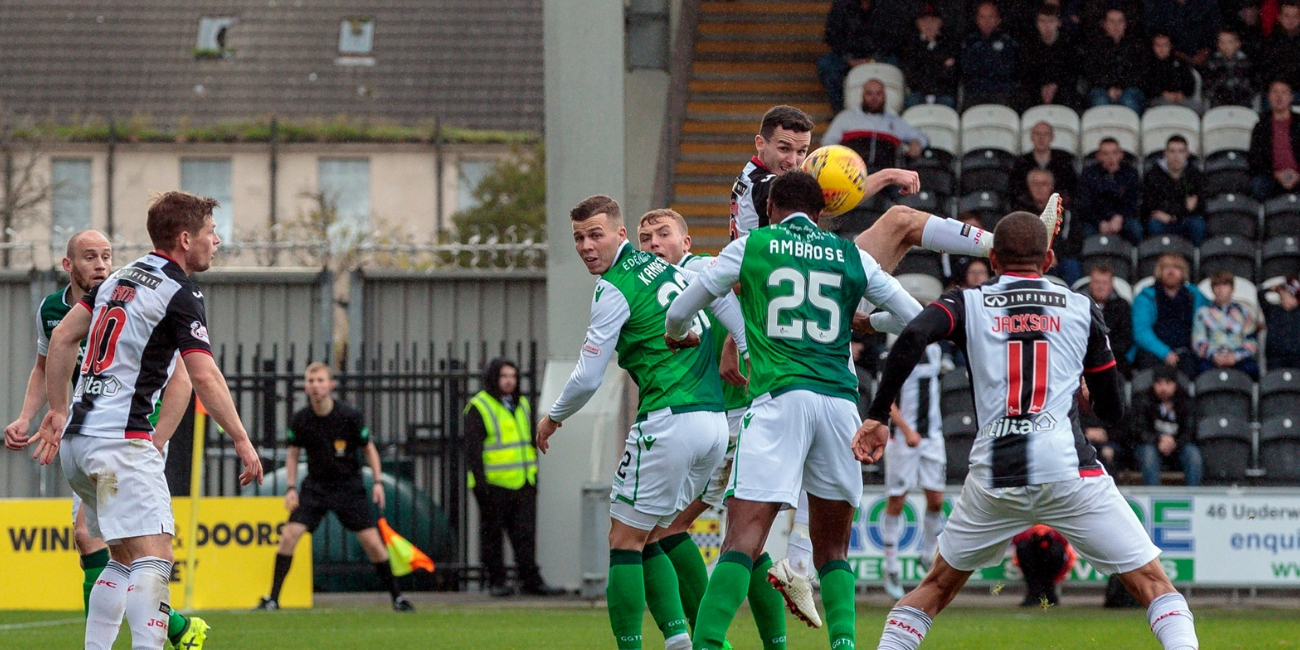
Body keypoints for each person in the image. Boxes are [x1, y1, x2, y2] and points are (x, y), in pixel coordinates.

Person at [853, 211, 1199, 650]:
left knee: (935, 588)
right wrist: (1086, 393)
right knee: (1153, 584)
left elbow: (913, 335)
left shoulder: (967, 301)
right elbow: (1112, 412)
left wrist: (879, 413)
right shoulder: (1081, 307)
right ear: (1050, 258)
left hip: (996, 475)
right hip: (1069, 471)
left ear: (992, 258)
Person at [665, 171, 926, 650]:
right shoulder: (852, 255)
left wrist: (677, 330)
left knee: (742, 539)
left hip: (778, 400)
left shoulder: (753, 246)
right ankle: (845, 644)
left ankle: (705, 645)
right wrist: (867, 321)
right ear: (822, 212)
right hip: (838, 406)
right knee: (833, 550)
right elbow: (916, 319)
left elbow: (685, 306)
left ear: (769, 210)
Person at [33, 191, 264, 650]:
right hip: (121, 443)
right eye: (209, 233)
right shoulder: (179, 291)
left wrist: (57, 409)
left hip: (79, 443)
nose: (216, 241)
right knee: (155, 558)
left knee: (119, 560)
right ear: (184, 239)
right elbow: (204, 374)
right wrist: (241, 438)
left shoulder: (121, 276)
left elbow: (61, 337)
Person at [536, 195, 750, 650]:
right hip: (713, 423)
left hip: (668, 422)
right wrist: (745, 345)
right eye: (578, 237)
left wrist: (553, 417)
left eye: (596, 234)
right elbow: (719, 300)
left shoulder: (614, 286)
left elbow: (589, 374)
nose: (586, 246)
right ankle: (681, 641)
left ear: (620, 235)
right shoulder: (673, 270)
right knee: (656, 532)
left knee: (622, 539)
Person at [3, 231, 207, 650]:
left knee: (127, 551)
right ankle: (175, 628)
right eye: (90, 256)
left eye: (106, 256)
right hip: (91, 434)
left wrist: (157, 440)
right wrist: (33, 415)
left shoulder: (126, 295)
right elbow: (49, 358)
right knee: (127, 553)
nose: (100, 264)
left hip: (127, 435)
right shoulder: (56, 309)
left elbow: (183, 378)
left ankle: (171, 629)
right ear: (68, 265)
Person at [637, 208, 791, 643]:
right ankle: (745, 641)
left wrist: (739, 342)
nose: (653, 243)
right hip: (714, 421)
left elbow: (748, 293)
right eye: (645, 237)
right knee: (748, 542)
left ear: (685, 242)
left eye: (663, 234)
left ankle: (705, 638)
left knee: (665, 530)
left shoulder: (702, 269)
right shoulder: (656, 287)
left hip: (733, 419)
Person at [257, 363, 413, 612]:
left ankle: (398, 597)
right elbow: (293, 455)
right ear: (306, 386)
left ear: (331, 385)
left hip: (348, 487)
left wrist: (379, 482)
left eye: (320, 380)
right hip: (315, 487)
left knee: (372, 543)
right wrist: (290, 488)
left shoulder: (349, 416)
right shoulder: (301, 419)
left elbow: (368, 448)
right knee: (289, 536)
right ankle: (273, 599)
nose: (315, 385)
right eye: (311, 381)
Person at [464, 358, 562, 597]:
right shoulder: (479, 406)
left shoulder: (522, 405)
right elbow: (473, 451)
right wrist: (480, 483)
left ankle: (530, 580)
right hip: (493, 484)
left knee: (525, 535)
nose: (509, 381)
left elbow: (529, 441)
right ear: (494, 378)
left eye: (513, 376)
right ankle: (496, 581)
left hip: (522, 482)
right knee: (492, 536)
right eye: (504, 376)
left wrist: (533, 477)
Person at [880, 342, 946, 601]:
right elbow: (886, 401)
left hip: (932, 437)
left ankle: (927, 554)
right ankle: (892, 566)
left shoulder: (935, 349)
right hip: (902, 440)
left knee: (937, 501)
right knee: (897, 500)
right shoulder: (893, 355)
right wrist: (907, 430)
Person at [822, 79, 930, 173]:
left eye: (878, 94)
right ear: (863, 95)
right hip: (852, 173)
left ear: (885, 96)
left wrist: (917, 143)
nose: (874, 98)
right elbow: (828, 142)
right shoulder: (846, 117)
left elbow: (922, 137)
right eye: (869, 94)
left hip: (887, 177)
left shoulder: (895, 121)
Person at [1132, 253, 1208, 379]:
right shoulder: (1146, 297)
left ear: (1183, 272)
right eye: (1166, 267)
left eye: (1176, 268)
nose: (1171, 271)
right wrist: (1165, 353)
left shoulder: (1195, 295)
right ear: (1159, 271)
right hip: (1153, 352)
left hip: (1186, 352)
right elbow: (1141, 332)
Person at [818, 0, 898, 112]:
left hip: (878, 57)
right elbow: (832, 36)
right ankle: (840, 111)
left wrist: (873, 59)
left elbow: (893, 38)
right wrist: (849, 59)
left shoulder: (886, 7)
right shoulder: (841, 5)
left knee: (895, 64)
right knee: (826, 65)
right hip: (847, 57)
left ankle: (890, 111)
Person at [1132, 365, 1203, 486]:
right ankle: (1152, 497)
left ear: (1175, 384)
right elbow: (1137, 430)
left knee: (1193, 454)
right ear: (1153, 384)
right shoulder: (1143, 400)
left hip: (1179, 448)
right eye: (1159, 383)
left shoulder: (1186, 402)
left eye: (1168, 383)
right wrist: (1158, 440)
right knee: (1149, 454)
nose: (1163, 388)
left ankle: (1194, 496)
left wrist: (1175, 442)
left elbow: (1191, 431)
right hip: (1151, 447)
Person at [1015, 168, 1082, 284]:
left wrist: (1053, 254)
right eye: (1035, 184)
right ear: (1029, 187)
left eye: (1044, 184)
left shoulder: (1065, 212)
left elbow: (1072, 241)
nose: (1039, 188)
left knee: (1072, 266)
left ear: (1051, 187)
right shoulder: (1019, 211)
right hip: (1030, 258)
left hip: (1058, 259)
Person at [1193, 271, 1260, 378]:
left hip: (1238, 357)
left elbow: (1251, 341)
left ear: (1232, 289)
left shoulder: (1244, 312)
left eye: (1224, 285)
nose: (1220, 289)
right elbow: (1198, 341)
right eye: (1216, 285)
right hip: (1212, 358)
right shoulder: (1203, 313)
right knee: (1200, 369)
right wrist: (1214, 356)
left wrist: (1235, 356)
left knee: (1251, 368)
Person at [1076, 138, 1143, 244]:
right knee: (1083, 233)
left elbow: (1133, 201)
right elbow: (1084, 204)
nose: (1110, 158)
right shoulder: (1089, 174)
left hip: (1122, 218)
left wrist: (1120, 217)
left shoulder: (1130, 173)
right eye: (1105, 153)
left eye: (1114, 153)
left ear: (1121, 155)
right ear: (1098, 156)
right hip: (1095, 220)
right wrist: (1100, 222)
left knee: (1136, 230)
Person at [1017, 4, 1083, 111]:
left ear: (1059, 23)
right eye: (1042, 21)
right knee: (1023, 97)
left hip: (1061, 88)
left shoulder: (1068, 44)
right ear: (1037, 23)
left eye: (1051, 21)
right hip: (1036, 88)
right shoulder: (1029, 45)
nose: (1046, 26)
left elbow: (1072, 72)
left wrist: (1055, 85)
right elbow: (1026, 73)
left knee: (1070, 97)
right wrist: (1042, 87)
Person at [1143, 135, 1206, 245]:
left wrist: (1172, 216)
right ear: (1165, 153)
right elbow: (1150, 204)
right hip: (1163, 221)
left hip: (1182, 220)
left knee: (1197, 224)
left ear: (1187, 154)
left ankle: (1193, 259)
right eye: (1172, 151)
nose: (1176, 156)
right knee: (1154, 224)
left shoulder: (1194, 175)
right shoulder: (1153, 174)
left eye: (1180, 151)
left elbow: (1198, 206)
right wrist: (1182, 209)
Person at [1084, 9, 1146, 113]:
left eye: (1120, 21)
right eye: (1112, 21)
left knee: (1129, 100)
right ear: (1104, 24)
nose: (1116, 25)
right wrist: (1108, 88)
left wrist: (1121, 89)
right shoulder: (1094, 47)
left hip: (1130, 90)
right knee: (1100, 100)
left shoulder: (1136, 47)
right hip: (1102, 89)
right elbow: (1091, 73)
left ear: (1125, 24)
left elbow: (1140, 73)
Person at [900, 4, 960, 109]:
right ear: (918, 24)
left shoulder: (949, 45)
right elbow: (911, 76)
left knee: (948, 101)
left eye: (933, 21)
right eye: (924, 21)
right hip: (919, 92)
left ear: (939, 23)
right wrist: (940, 66)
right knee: (911, 101)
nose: (928, 25)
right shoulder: (911, 46)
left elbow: (951, 76)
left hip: (942, 93)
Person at [961, 2, 1019, 108]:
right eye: (983, 17)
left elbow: (1008, 69)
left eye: (990, 17)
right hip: (975, 92)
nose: (986, 21)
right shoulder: (970, 42)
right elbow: (967, 69)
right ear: (977, 20)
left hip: (1000, 92)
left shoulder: (1007, 42)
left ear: (998, 20)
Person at [1249, 80, 1300, 200]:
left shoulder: (1298, 123)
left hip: (1298, 176)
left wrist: (1297, 175)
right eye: (1275, 92)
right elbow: (1255, 159)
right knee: (1258, 185)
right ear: (1269, 97)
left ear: (1291, 97)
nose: (1279, 96)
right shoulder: (1261, 126)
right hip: (1272, 177)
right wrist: (1277, 175)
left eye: (1284, 92)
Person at [1010, 121, 1079, 203]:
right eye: (1037, 134)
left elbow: (1071, 188)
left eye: (1046, 134)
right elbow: (1016, 190)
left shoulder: (1063, 160)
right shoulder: (1021, 162)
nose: (1041, 138)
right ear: (1031, 137)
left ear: (1052, 137)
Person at [1012, 525, 1076, 607]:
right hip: (1031, 552)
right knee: (1023, 548)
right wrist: (1032, 536)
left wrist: (1051, 536)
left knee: (1056, 550)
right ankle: (1034, 592)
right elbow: (1016, 538)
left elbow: (1065, 539)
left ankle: (1048, 590)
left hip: (1051, 554)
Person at [1143, 0, 1221, 67]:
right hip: (1171, 59)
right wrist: (1176, 53)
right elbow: (1155, 34)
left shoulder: (1207, 4)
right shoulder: (1160, 5)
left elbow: (1214, 30)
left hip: (1205, 59)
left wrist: (1205, 51)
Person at [1088, 263, 1133, 377]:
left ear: (1111, 285)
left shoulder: (1122, 306)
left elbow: (1125, 339)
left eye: (1104, 283)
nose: (1100, 287)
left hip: (1113, 359)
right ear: (1090, 284)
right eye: (1097, 282)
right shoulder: (1080, 304)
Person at [1142, 33, 1200, 113]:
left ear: (1170, 46)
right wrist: (1163, 94)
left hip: (1181, 99)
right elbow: (1147, 86)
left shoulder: (1180, 62)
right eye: (1158, 45)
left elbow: (1190, 82)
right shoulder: (1148, 64)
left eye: (1165, 45)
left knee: (1197, 108)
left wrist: (1181, 94)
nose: (1161, 49)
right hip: (1158, 99)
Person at [1203, 29, 1255, 108]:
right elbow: (1208, 89)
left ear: (1238, 44)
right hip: (1218, 105)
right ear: (1218, 45)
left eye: (1230, 42)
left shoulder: (1247, 63)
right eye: (1222, 42)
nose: (1226, 46)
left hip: (1242, 105)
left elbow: (1252, 88)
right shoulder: (1212, 63)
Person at [1260, 0, 1300, 96]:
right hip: (1276, 92)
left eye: (1295, 16)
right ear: (1279, 17)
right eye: (1287, 16)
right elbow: (1266, 71)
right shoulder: (1270, 42)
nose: (1291, 20)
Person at [1261, 276, 1300, 369]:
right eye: (1290, 295)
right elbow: (1260, 294)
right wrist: (1274, 288)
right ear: (1282, 293)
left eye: (1296, 297)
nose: (1293, 300)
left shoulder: (1298, 312)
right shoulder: (1272, 310)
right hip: (1275, 358)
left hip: (1297, 357)